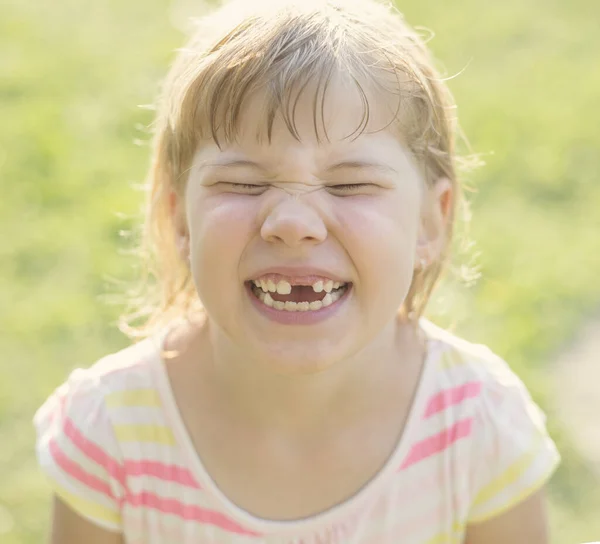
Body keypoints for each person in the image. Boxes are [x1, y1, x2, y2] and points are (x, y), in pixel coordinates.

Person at [33, 0, 561, 542]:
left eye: (349, 184)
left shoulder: (480, 428)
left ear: (430, 220)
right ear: (179, 219)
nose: (292, 222)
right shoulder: (112, 434)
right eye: (242, 183)